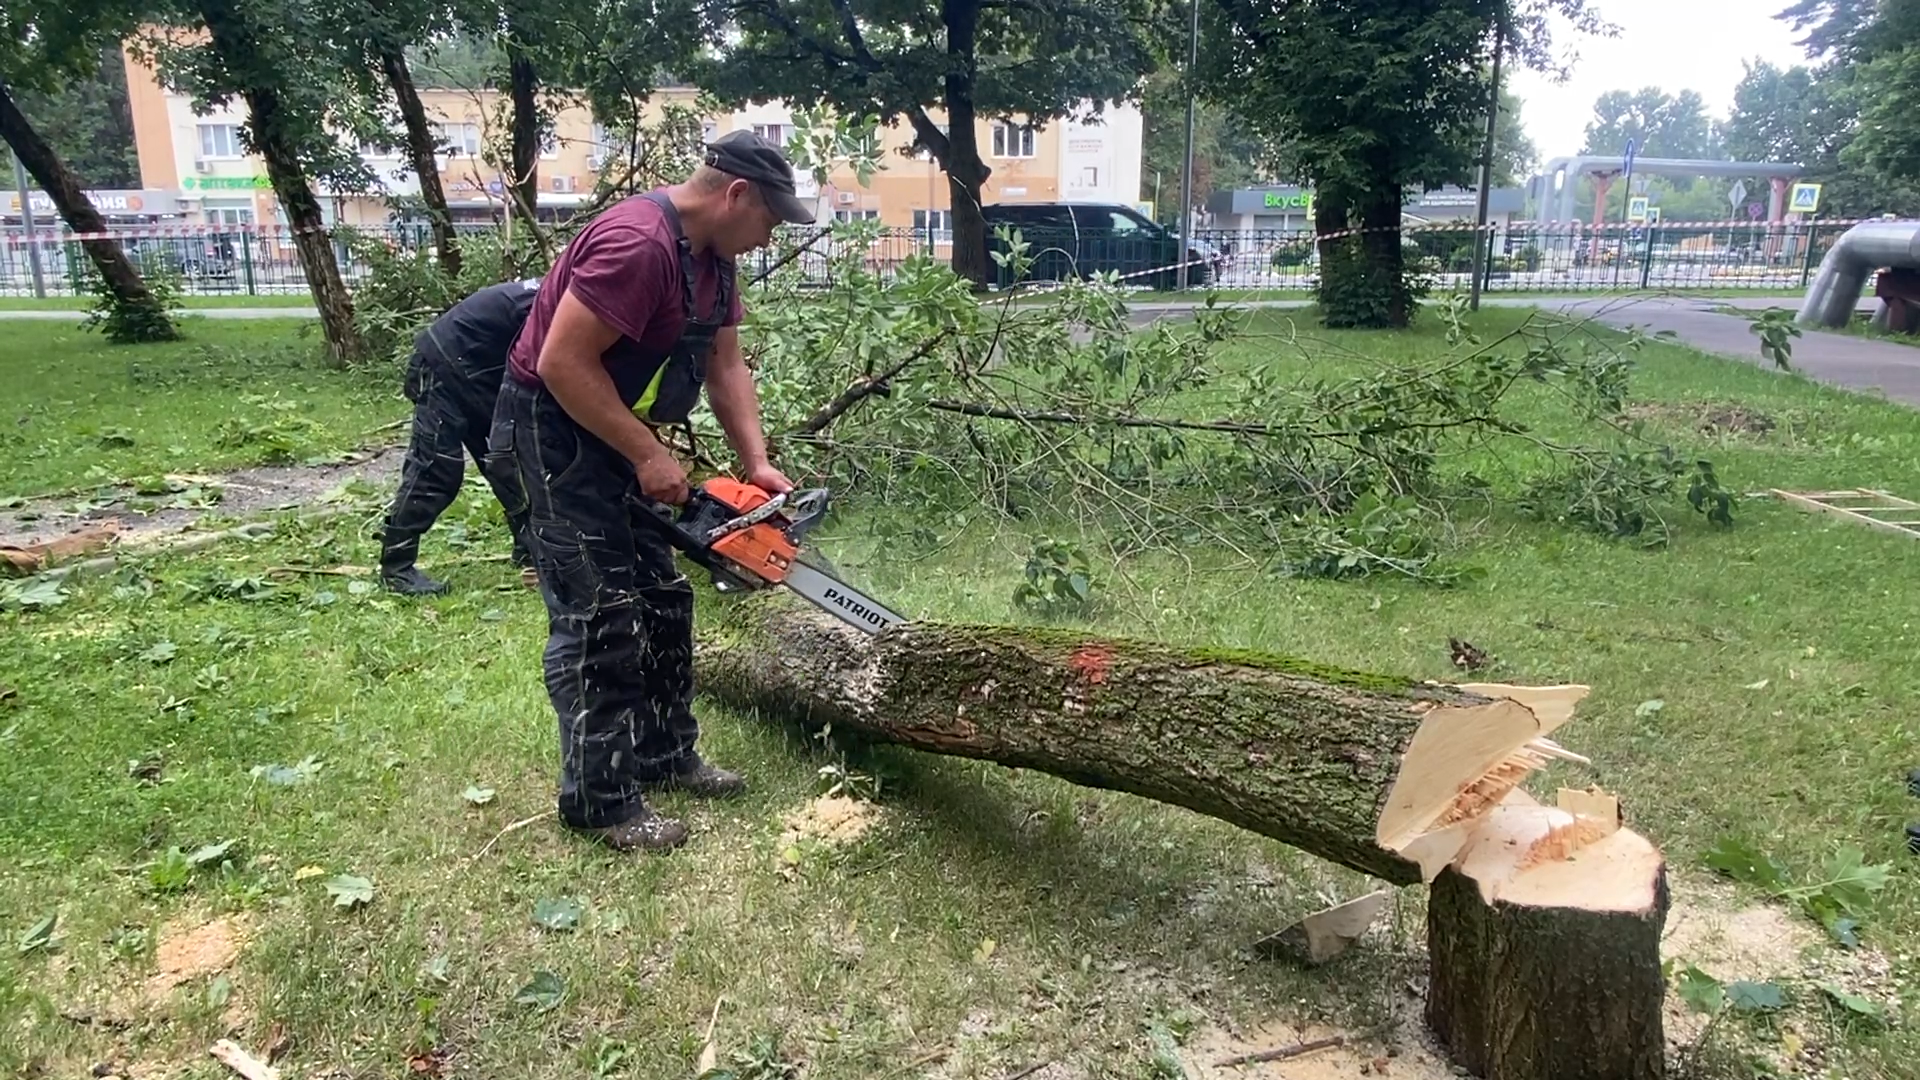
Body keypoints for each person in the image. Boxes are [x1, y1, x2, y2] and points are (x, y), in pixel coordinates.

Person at [487, 130, 815, 852]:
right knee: (599, 613)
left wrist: (754, 461)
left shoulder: (714, 260)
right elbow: (564, 363)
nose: (769, 237)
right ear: (737, 195)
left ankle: (666, 754)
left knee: (664, 599)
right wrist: (644, 453)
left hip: (606, 425)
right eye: (770, 219)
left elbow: (725, 363)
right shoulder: (638, 244)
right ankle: (600, 803)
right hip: (550, 428)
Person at [379, 277, 543, 595]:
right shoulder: (546, 307)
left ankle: (530, 546)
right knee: (436, 469)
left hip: (478, 373)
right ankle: (396, 566)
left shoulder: (556, 297)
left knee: (507, 459)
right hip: (442, 366)